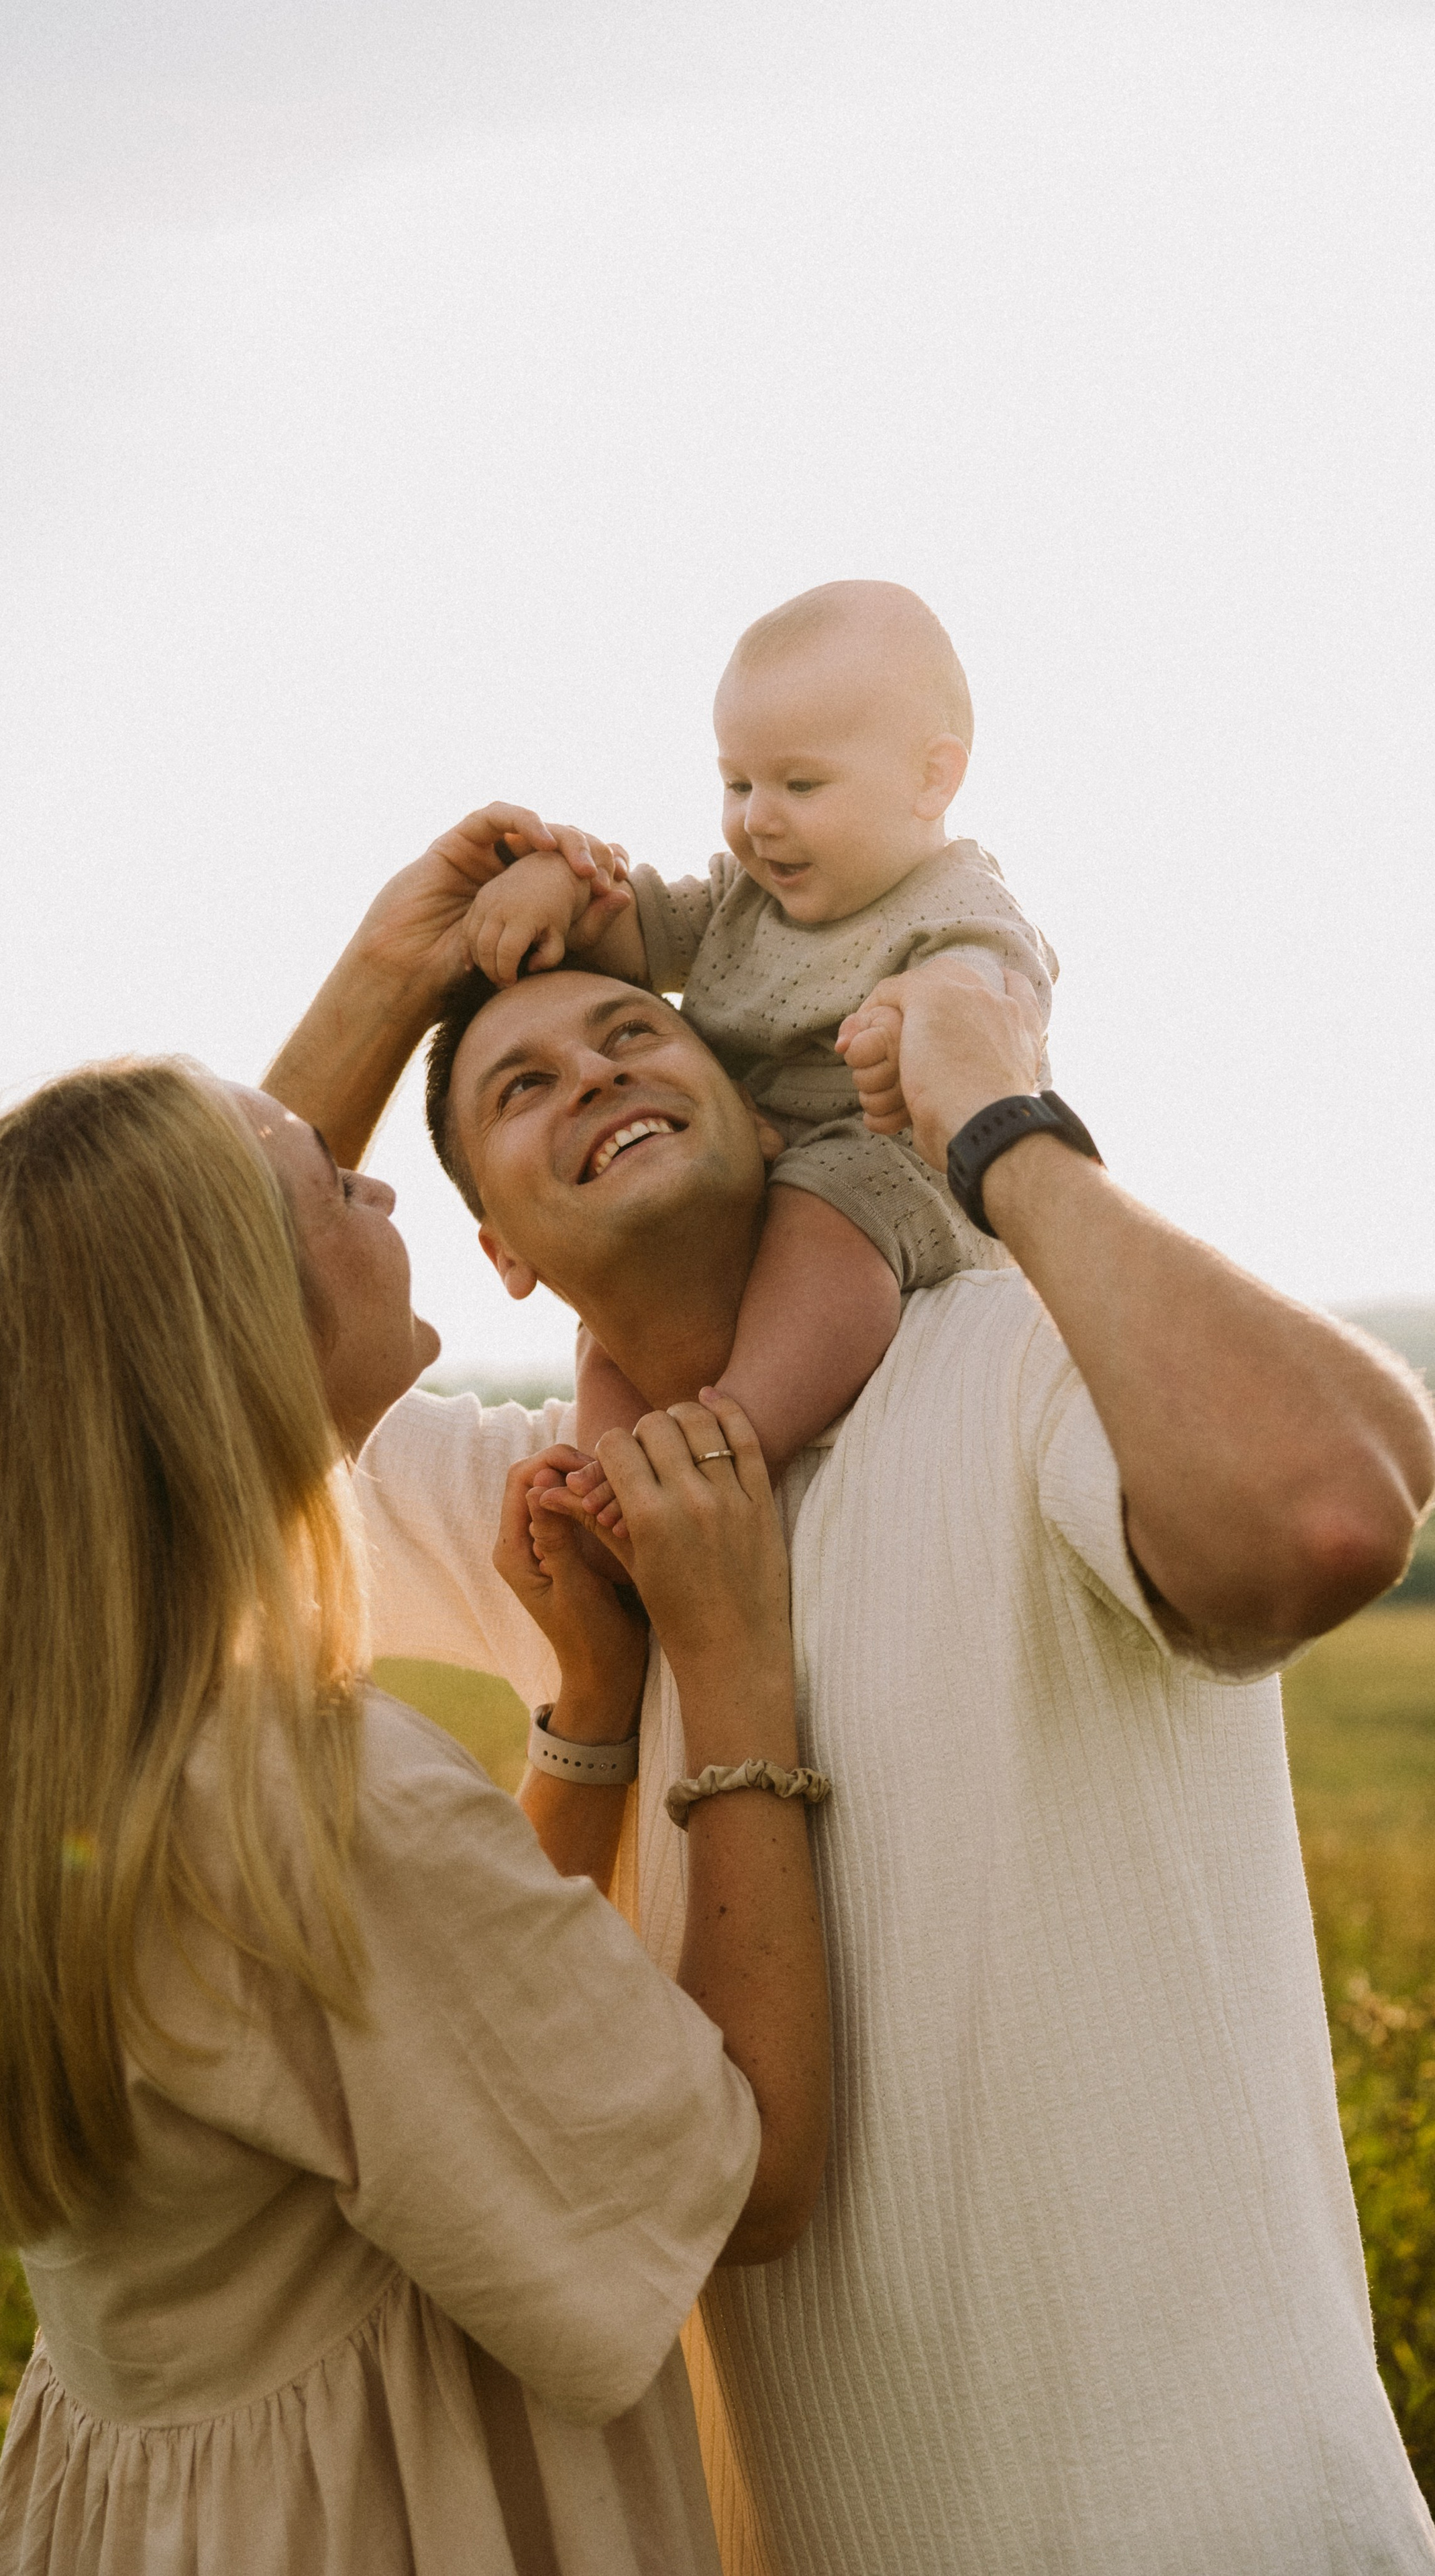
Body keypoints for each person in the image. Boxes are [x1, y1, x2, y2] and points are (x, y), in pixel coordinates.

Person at [263, 802, 1435, 2576]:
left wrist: (995, 1123)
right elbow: (142, 1371)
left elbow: (1327, 1512)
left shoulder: (1023, 1364)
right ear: (493, 1247)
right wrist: (386, 973)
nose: (594, 1074)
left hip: (1235, 2531)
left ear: (760, 1106)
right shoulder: (562, 1526)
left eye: (634, 1032)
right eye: (521, 1087)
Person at [0, 1053, 833, 2576]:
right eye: (330, 1182)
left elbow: (415, 2043)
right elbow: (747, 2184)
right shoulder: (325, 1804)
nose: (380, 1187)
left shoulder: (86, 1752)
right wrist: (730, 1662)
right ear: (236, 1330)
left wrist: (589, 1710)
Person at [458, 582, 1057, 1481]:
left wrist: (914, 1027)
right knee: (617, 1314)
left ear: (931, 779)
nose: (757, 818)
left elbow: (981, 1010)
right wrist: (554, 886)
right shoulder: (749, 897)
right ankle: (610, 1472)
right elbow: (629, 929)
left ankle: (729, 1441)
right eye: (737, 784)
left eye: (800, 784)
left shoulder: (959, 910)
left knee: (827, 1210)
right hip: (757, 1172)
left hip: (895, 1175)